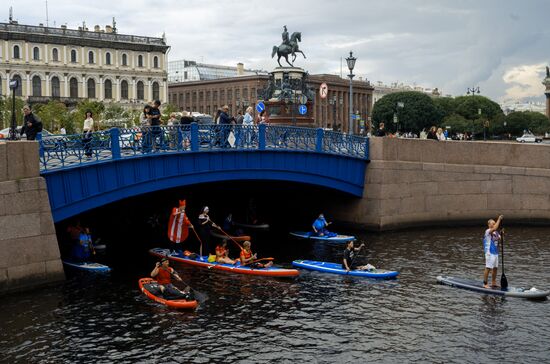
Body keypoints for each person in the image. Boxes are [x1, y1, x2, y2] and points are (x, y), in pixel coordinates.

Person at [483, 215, 503, 289]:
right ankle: (485, 283)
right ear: (489, 224)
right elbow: (495, 228)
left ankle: (493, 282)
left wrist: (502, 234)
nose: (494, 225)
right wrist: (499, 219)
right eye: (493, 223)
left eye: (495, 223)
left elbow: (500, 241)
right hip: (489, 253)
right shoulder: (487, 231)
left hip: (495, 253)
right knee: (488, 267)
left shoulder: (496, 233)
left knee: (495, 268)